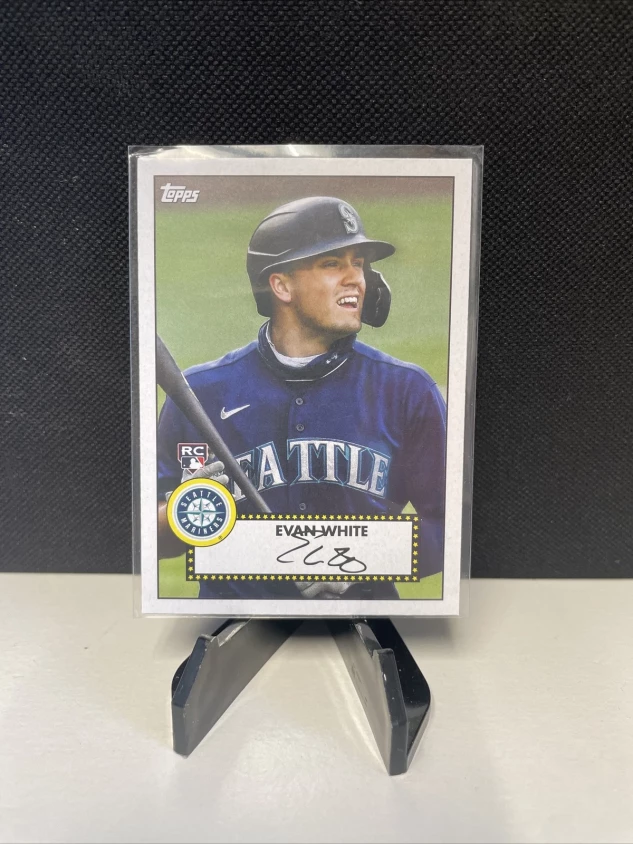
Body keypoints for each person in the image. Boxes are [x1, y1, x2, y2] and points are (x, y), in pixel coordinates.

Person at [157, 196, 446, 599]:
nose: (356, 279)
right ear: (281, 285)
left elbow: (451, 527)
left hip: (358, 623)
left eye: (358, 263)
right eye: (332, 263)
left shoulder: (406, 391)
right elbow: (151, 539)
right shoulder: (201, 393)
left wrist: (364, 556)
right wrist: (187, 510)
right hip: (240, 624)